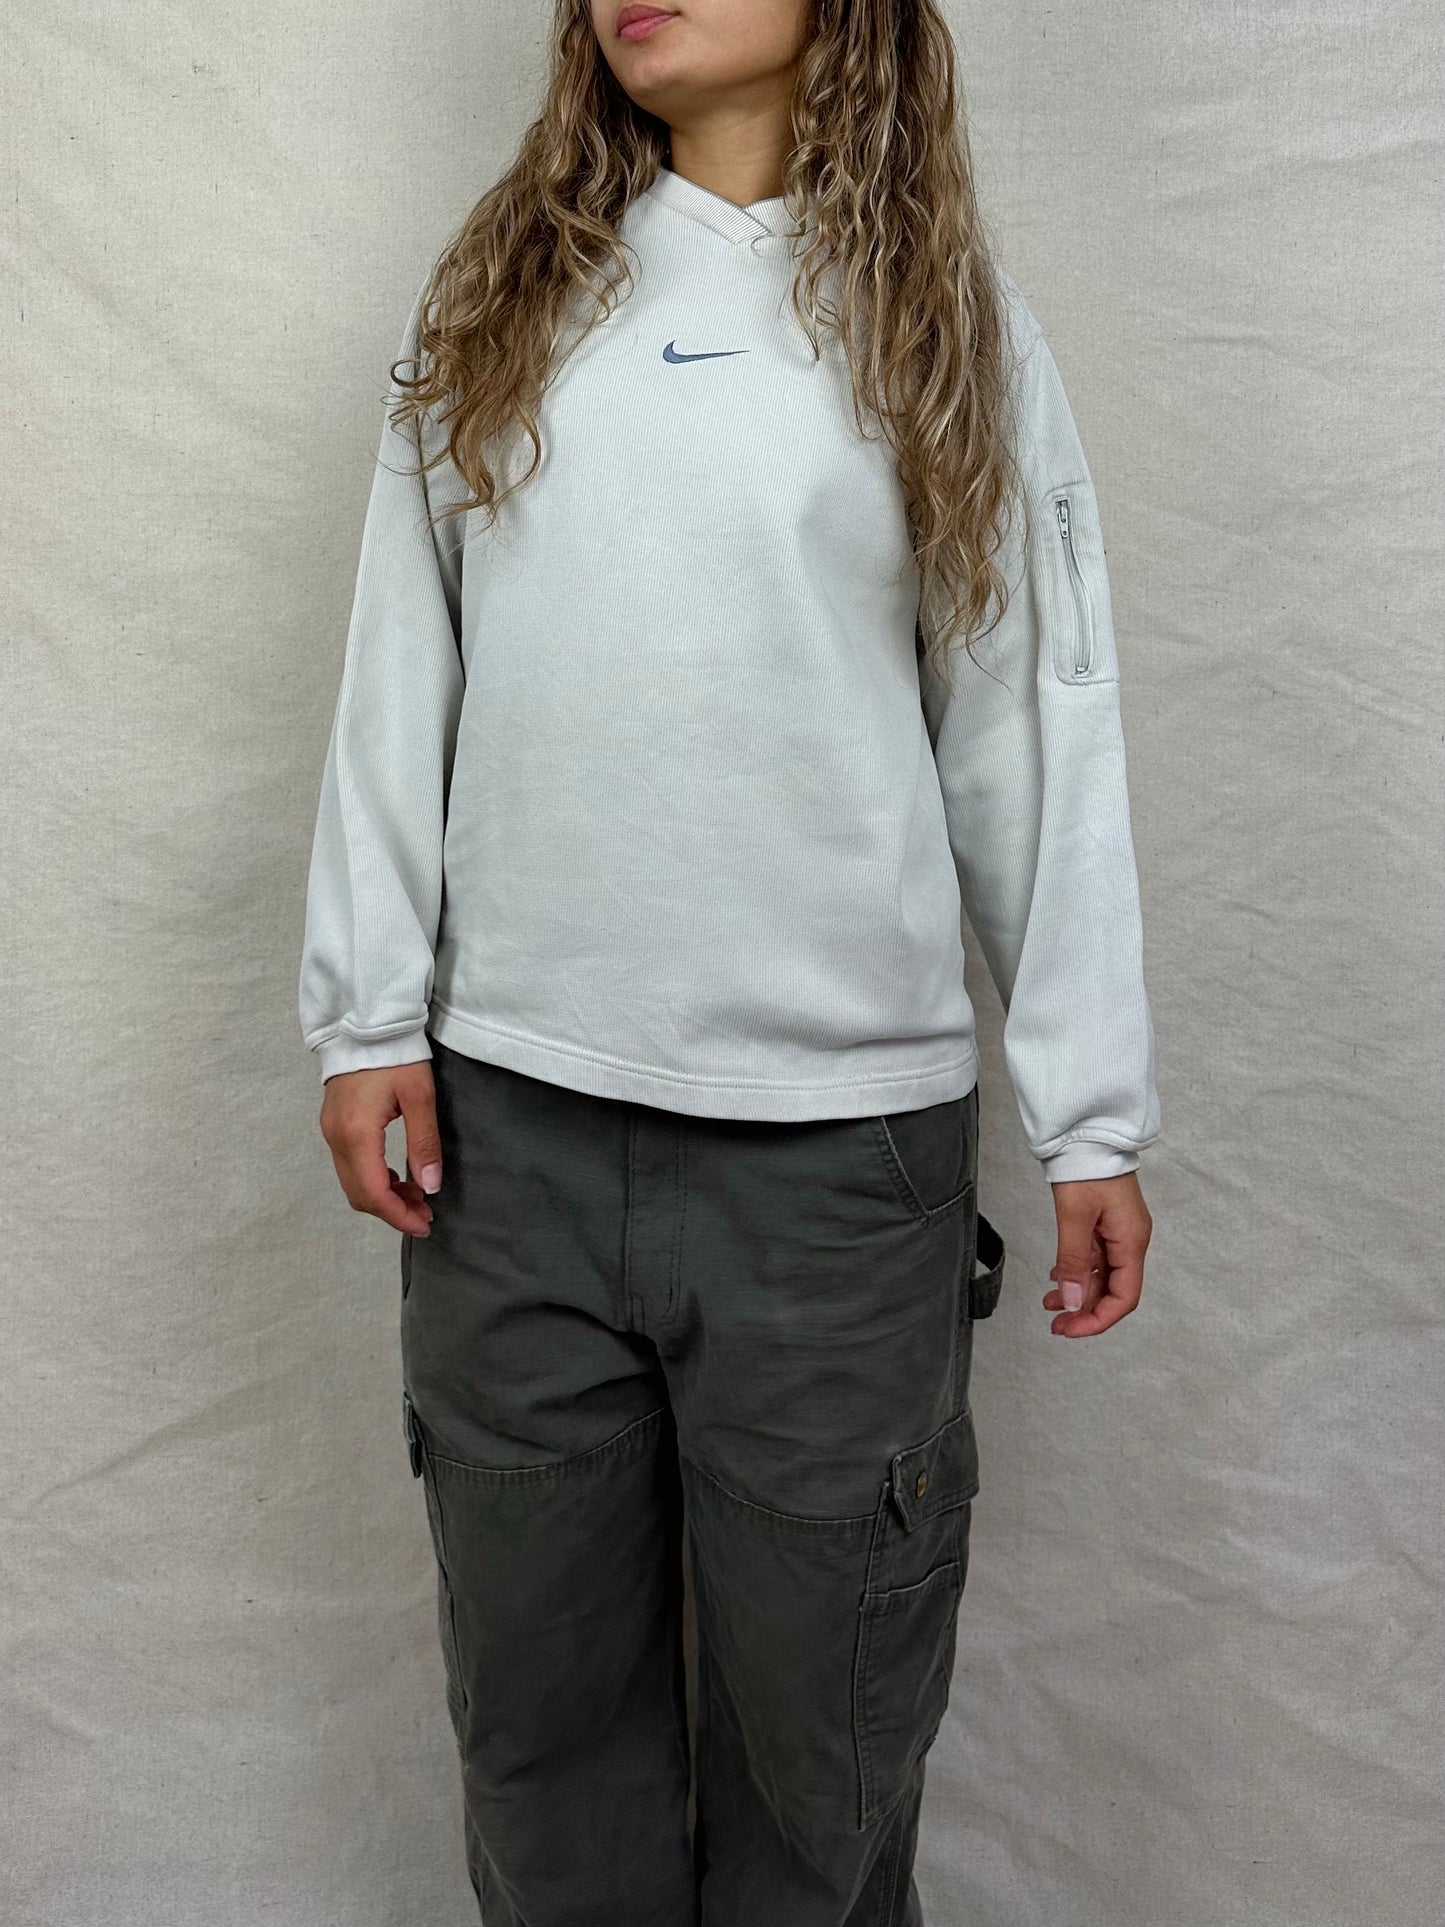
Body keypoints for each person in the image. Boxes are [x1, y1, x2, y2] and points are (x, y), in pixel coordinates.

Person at [298, 1, 1159, 1919]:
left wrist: (1089, 1116)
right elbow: (399, 662)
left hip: (831, 1174)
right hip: (508, 1144)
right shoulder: (506, 304)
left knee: (820, 1767)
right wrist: (365, 1015)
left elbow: (1029, 723)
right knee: (540, 1747)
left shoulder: (941, 326)